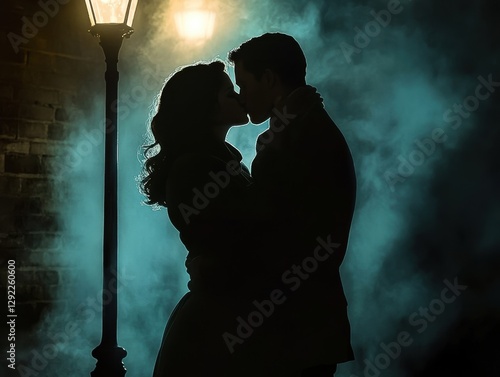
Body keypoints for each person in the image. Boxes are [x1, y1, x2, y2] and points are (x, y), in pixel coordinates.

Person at [228, 32, 357, 376]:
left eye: (244, 84)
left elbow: (270, 227)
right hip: (303, 323)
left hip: (295, 326)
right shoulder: (304, 126)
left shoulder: (299, 134)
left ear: (269, 78)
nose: (241, 97)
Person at [141, 60, 263, 376]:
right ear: (205, 107)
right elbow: (243, 242)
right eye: (228, 92)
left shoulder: (217, 162)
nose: (238, 97)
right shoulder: (194, 169)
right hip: (216, 325)